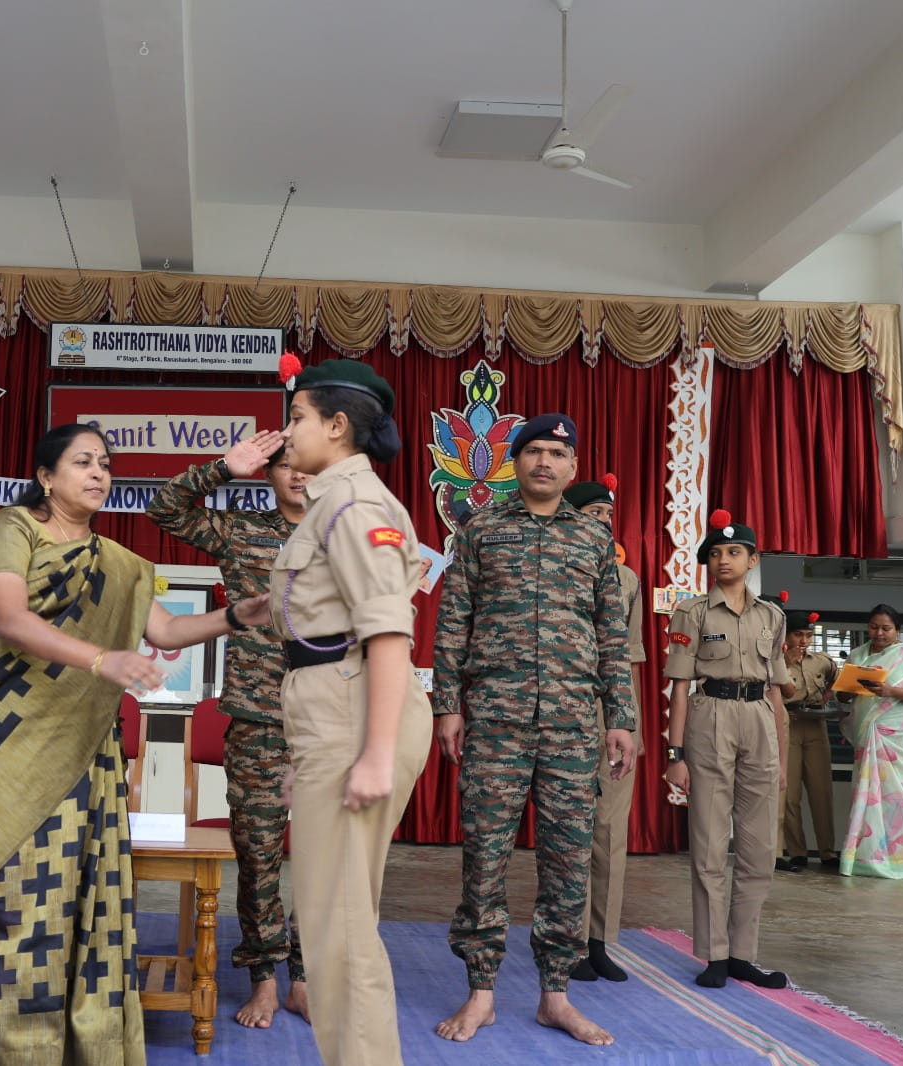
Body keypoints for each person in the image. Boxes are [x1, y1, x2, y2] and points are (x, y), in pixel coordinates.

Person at [0, 423, 269, 1066]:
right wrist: (101, 661)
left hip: (80, 743)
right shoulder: (14, 528)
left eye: (105, 464)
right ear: (45, 476)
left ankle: (78, 1038)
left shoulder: (118, 563)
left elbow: (166, 631)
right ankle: (4, 1047)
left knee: (68, 889)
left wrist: (235, 616)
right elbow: (7, 618)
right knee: (2, 892)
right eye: (82, 462)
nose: (98, 473)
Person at [433, 413, 637, 1047]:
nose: (544, 462)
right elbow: (452, 622)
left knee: (569, 863)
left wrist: (622, 719)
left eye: (557, 453)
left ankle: (556, 995)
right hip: (495, 720)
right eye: (533, 452)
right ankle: (481, 993)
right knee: (485, 857)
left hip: (575, 726)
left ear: (572, 468)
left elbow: (612, 639)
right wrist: (448, 705)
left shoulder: (594, 542)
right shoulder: (479, 531)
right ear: (513, 462)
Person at [266, 358, 432, 1066]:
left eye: (297, 417)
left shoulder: (350, 504)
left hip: (353, 706)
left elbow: (388, 630)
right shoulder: (341, 498)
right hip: (337, 707)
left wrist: (371, 753)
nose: (288, 431)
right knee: (339, 913)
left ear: (336, 426)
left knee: (338, 926)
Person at [146, 432, 312, 1027]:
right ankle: (265, 979)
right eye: (284, 467)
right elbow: (165, 508)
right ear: (268, 475)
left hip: (327, 723)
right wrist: (222, 468)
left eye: (306, 465)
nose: (297, 476)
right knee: (260, 855)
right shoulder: (242, 531)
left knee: (324, 861)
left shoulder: (350, 536)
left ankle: (307, 978)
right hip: (259, 720)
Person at [662, 509, 790, 990]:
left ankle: (743, 954)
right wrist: (675, 756)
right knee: (710, 845)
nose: (723, 561)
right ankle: (714, 954)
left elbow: (776, 690)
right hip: (709, 717)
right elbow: (678, 688)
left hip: (759, 719)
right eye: (714, 554)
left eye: (734, 552)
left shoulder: (772, 617)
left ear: (753, 559)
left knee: (760, 850)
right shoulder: (692, 613)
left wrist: (779, 754)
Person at [561, 475, 647, 984]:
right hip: (562, 709)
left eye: (607, 517)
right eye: (592, 514)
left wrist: (628, 723)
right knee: (567, 830)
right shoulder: (551, 569)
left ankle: (598, 941)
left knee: (610, 830)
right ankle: (564, 937)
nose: (602, 524)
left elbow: (631, 657)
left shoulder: (628, 580)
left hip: (609, 713)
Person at [835, 604, 903, 879]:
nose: (879, 633)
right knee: (870, 799)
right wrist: (847, 688)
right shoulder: (858, 655)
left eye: (886, 628)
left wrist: (890, 690)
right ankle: (867, 858)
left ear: (897, 631)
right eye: (873, 627)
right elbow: (844, 697)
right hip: (869, 738)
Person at [776, 610, 841, 872]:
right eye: (798, 634)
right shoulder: (777, 660)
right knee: (789, 793)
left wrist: (827, 695)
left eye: (808, 635)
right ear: (786, 635)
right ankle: (797, 851)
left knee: (821, 791)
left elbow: (838, 678)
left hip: (816, 723)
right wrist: (783, 660)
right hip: (789, 722)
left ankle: (827, 852)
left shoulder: (822, 661)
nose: (804, 640)